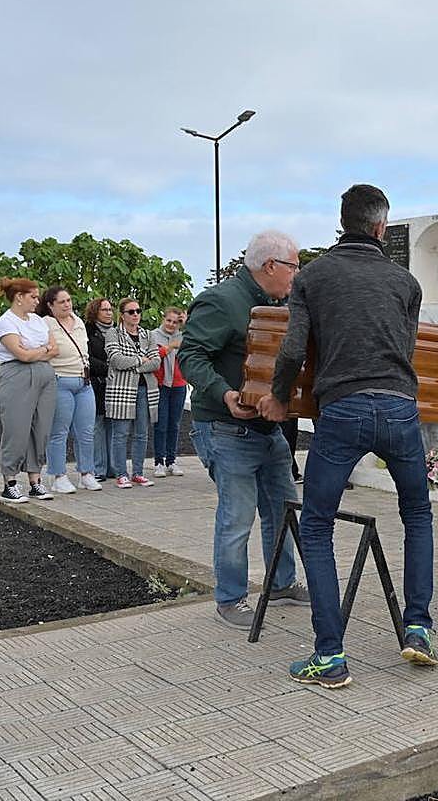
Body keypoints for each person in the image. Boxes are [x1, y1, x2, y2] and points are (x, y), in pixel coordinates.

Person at [260, 184, 436, 688]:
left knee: (317, 526)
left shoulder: (312, 277)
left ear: (343, 223)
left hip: (342, 409)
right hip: (400, 408)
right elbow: (406, 349)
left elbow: (294, 350)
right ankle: (418, 629)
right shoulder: (406, 282)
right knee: (417, 515)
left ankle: (330, 656)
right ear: (381, 227)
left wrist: (279, 397)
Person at [178, 230, 309, 630]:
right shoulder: (221, 301)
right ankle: (231, 598)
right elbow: (190, 356)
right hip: (225, 427)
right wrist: (225, 393)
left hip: (267, 428)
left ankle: (281, 583)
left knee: (282, 509)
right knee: (237, 518)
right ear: (270, 266)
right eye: (293, 267)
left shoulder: (277, 305)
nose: (296, 275)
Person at [0, 277, 57, 503]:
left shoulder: (38, 320)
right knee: (17, 429)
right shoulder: (6, 322)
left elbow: (54, 349)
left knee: (41, 429)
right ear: (19, 297)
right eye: (33, 297)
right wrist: (43, 350)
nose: (37, 301)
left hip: (45, 376)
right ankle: (9, 482)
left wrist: (37, 351)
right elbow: (22, 355)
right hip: (16, 376)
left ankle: (35, 481)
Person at [39, 286, 99, 493]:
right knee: (59, 431)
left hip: (84, 381)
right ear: (50, 305)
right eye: (61, 302)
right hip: (60, 380)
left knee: (86, 431)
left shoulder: (78, 321)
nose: (67, 305)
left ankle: (86, 473)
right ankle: (58, 476)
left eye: (68, 300)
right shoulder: (46, 323)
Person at [105, 298, 160, 488]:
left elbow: (156, 362)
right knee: (120, 433)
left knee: (141, 433)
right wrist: (140, 360)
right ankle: (121, 474)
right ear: (122, 315)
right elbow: (116, 360)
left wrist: (133, 364)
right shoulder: (113, 333)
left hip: (145, 389)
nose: (136, 314)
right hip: (122, 390)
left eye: (138, 310)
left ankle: (138, 473)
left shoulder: (148, 334)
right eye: (131, 311)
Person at [151, 306, 188, 478]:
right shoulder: (153, 336)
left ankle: (171, 461)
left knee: (174, 424)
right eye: (169, 320)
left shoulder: (184, 337)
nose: (171, 324)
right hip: (160, 384)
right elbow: (153, 357)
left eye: (175, 322)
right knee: (161, 424)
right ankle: (159, 462)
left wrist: (187, 323)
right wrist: (171, 346)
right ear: (163, 319)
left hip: (179, 385)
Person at [85, 298, 117, 480]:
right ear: (95, 311)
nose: (108, 313)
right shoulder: (88, 331)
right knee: (98, 425)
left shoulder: (117, 331)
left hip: (115, 385)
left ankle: (113, 467)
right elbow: (86, 356)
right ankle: (99, 468)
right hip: (96, 383)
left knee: (112, 424)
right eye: (104, 309)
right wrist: (108, 368)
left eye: (110, 309)